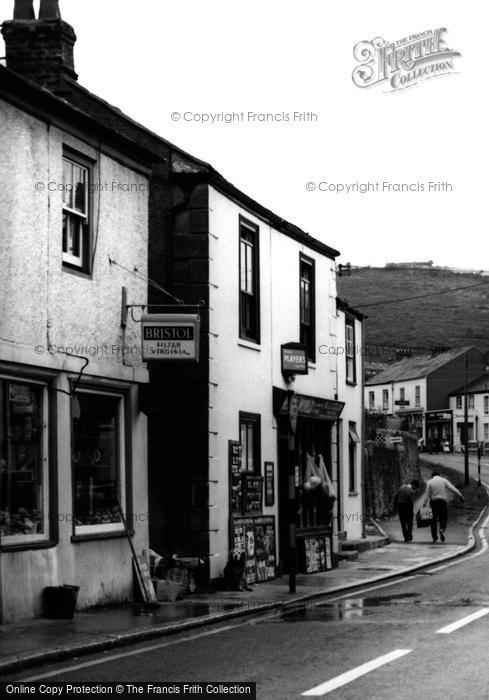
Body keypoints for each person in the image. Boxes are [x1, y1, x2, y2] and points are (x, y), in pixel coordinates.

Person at [423, 471, 464, 543]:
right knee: (443, 517)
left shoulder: (429, 482)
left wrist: (424, 504)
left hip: (433, 503)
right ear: (439, 475)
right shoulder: (443, 480)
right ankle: (442, 529)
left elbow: (426, 494)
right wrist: (460, 495)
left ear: (432, 476)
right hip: (442, 502)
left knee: (433, 520)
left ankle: (434, 537)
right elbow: (452, 488)